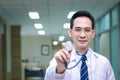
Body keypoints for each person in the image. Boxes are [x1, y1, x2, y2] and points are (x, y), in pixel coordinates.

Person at [44, 10, 115, 80]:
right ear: (70, 32)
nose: (82, 35)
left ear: (93, 33)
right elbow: (48, 77)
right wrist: (60, 69)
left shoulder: (104, 63)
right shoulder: (60, 60)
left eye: (87, 30)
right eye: (78, 30)